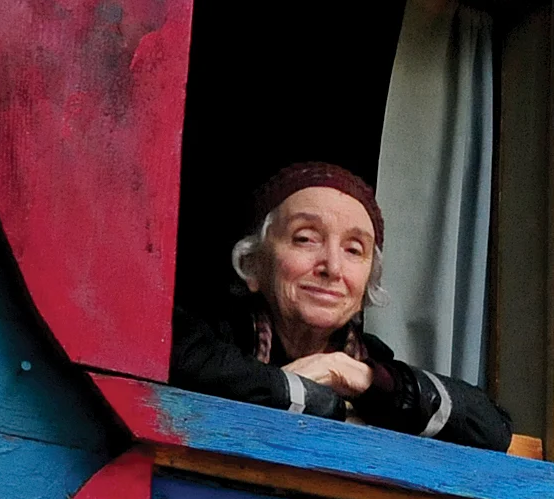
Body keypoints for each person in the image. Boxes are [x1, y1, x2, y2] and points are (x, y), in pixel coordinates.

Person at [171, 163, 512, 452]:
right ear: (253, 264)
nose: (332, 267)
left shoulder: (370, 368)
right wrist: (305, 392)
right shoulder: (199, 337)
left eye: (353, 249)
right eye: (305, 238)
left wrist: (360, 377)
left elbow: (491, 429)